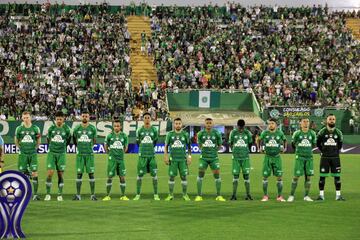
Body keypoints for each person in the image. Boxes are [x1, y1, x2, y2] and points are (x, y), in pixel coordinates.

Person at [195, 118, 226, 202]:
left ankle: (219, 195)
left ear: (212, 124)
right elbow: (199, 144)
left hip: (214, 158)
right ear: (205, 124)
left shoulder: (216, 133)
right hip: (204, 158)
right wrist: (204, 150)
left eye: (210, 123)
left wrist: (214, 151)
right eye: (207, 123)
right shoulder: (200, 133)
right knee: (200, 175)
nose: (208, 124)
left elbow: (220, 145)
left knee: (217, 176)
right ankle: (198, 195)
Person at [257, 118, 287, 202]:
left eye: (272, 123)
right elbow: (259, 140)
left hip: (277, 157)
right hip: (267, 157)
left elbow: (285, 140)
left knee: (279, 177)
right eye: (269, 123)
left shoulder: (280, 133)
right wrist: (259, 148)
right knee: (265, 177)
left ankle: (279, 196)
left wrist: (285, 148)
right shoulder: (264, 133)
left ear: (276, 125)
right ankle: (265, 196)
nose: (270, 125)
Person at [287, 118, 317, 202]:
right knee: (296, 177)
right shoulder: (297, 133)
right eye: (304, 121)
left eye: (307, 121)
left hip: (309, 158)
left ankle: (306, 196)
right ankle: (291, 195)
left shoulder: (312, 133)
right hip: (299, 158)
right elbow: (293, 144)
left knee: (308, 177)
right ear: (300, 123)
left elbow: (314, 144)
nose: (306, 123)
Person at [316, 114, 345, 201]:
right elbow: (318, 144)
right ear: (327, 121)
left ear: (335, 121)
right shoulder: (322, 132)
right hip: (325, 158)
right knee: (322, 177)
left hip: (335, 158)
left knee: (337, 177)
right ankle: (321, 195)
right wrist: (324, 151)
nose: (332, 120)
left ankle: (338, 195)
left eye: (333, 119)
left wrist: (334, 151)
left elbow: (340, 145)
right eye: (330, 119)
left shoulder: (338, 132)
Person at [44, 111, 71, 201]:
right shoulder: (51, 128)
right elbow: (48, 139)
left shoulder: (67, 129)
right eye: (57, 119)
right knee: (50, 173)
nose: (59, 121)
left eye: (60, 119)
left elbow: (68, 140)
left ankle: (60, 194)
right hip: (52, 153)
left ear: (63, 119)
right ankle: (48, 194)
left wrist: (62, 148)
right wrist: (52, 147)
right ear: (55, 119)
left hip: (61, 154)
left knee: (60, 174)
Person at [15, 111, 41, 200]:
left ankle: (36, 194)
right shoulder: (19, 128)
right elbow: (16, 140)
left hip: (32, 154)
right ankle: (23, 193)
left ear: (30, 118)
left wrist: (35, 148)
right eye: (24, 118)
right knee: (22, 174)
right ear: (22, 118)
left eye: (27, 117)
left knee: (34, 173)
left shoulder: (35, 128)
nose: (26, 119)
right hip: (23, 154)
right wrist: (20, 148)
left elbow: (38, 141)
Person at [164, 118, 192, 201]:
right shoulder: (170, 134)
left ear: (181, 124)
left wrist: (189, 157)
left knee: (184, 177)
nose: (178, 125)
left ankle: (185, 194)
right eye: (176, 123)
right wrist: (165, 156)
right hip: (173, 160)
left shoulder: (185, 134)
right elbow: (166, 146)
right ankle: (170, 195)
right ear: (174, 124)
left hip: (183, 160)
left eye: (179, 123)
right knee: (172, 177)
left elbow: (189, 147)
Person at [133, 112, 160, 200]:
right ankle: (137, 194)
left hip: (151, 156)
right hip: (142, 156)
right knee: (139, 175)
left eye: (148, 117)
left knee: (154, 175)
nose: (147, 119)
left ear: (150, 119)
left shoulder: (154, 130)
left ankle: (156, 194)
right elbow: (138, 142)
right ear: (143, 119)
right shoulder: (139, 130)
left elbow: (155, 142)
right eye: (145, 117)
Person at [72, 110, 97, 201]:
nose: (85, 118)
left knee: (91, 174)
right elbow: (74, 139)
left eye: (86, 116)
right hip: (80, 155)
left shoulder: (92, 128)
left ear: (89, 117)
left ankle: (93, 195)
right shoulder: (77, 128)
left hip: (89, 154)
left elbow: (94, 141)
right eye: (83, 116)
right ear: (81, 117)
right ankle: (78, 195)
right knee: (79, 174)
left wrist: (88, 147)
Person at [103, 119, 129, 201]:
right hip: (112, 160)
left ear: (120, 126)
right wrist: (109, 154)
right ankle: (107, 195)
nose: (116, 127)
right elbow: (105, 145)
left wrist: (121, 154)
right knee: (109, 177)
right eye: (115, 126)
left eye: (118, 126)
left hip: (121, 160)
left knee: (122, 177)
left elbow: (126, 147)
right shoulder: (110, 135)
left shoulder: (124, 136)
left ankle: (123, 195)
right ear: (113, 127)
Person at [228, 119, 253, 200]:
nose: (241, 129)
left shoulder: (247, 133)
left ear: (244, 126)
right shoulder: (233, 132)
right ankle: (234, 195)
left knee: (246, 175)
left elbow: (250, 143)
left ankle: (248, 194)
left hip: (245, 158)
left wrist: (245, 151)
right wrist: (234, 151)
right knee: (235, 176)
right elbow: (230, 143)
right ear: (237, 126)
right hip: (236, 158)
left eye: (242, 127)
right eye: (240, 127)